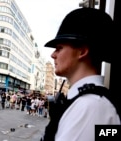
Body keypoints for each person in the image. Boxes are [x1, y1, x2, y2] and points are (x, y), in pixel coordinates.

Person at [41, 8, 120, 141]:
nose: (53, 55)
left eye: (59, 48)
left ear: (82, 51)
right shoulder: (87, 103)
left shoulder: (88, 107)